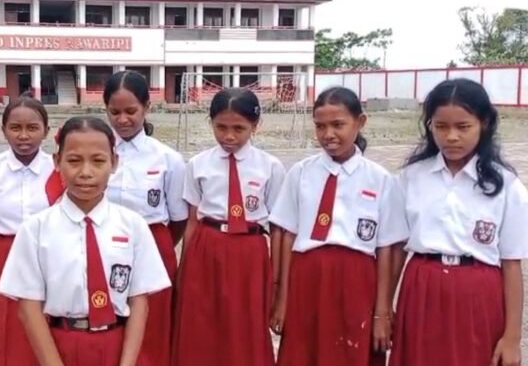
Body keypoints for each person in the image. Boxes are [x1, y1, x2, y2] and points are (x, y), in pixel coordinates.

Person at [0, 116, 171, 366]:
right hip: (59, 346)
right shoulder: (36, 229)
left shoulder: (133, 226)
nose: (86, 173)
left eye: (98, 161)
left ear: (114, 162)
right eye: (74, 161)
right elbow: (28, 308)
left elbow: (139, 302)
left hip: (118, 346)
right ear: (57, 162)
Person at [390, 78, 528, 366]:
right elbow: (395, 251)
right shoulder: (411, 178)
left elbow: (512, 264)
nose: (451, 136)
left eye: (463, 127)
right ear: (430, 126)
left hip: (478, 294)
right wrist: (382, 310)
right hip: (421, 288)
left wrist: (512, 336)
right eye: (441, 126)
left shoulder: (506, 186)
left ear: (485, 123)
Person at [269, 86, 408, 366]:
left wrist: (382, 311)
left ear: (360, 122)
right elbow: (285, 236)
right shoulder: (300, 173)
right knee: (304, 352)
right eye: (320, 126)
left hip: (357, 280)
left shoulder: (380, 180)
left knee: (350, 352)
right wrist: (281, 299)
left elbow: (387, 249)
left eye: (338, 125)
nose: (328, 134)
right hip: (307, 276)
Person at [172, 87, 286, 366]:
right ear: (210, 123)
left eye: (239, 128)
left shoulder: (270, 167)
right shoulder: (199, 164)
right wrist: (184, 269)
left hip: (250, 250)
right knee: (203, 322)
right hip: (207, 246)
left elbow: (279, 227)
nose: (229, 136)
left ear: (255, 125)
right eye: (221, 127)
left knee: (244, 321)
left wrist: (277, 278)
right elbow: (191, 220)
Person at [0, 93, 62, 366]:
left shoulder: (57, 170)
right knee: (2, 327)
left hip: (48, 257)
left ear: (46, 130)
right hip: (2, 254)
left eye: (32, 128)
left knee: (44, 323)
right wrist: (1, 250)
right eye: (15, 128)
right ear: (3, 130)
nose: (24, 136)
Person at [102, 70, 187, 365]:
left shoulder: (167, 159)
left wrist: (151, 244)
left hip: (154, 245)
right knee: (108, 320)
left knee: (153, 326)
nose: (122, 119)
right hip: (102, 244)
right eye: (114, 111)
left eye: (131, 111)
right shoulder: (97, 151)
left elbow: (178, 218)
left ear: (147, 107)